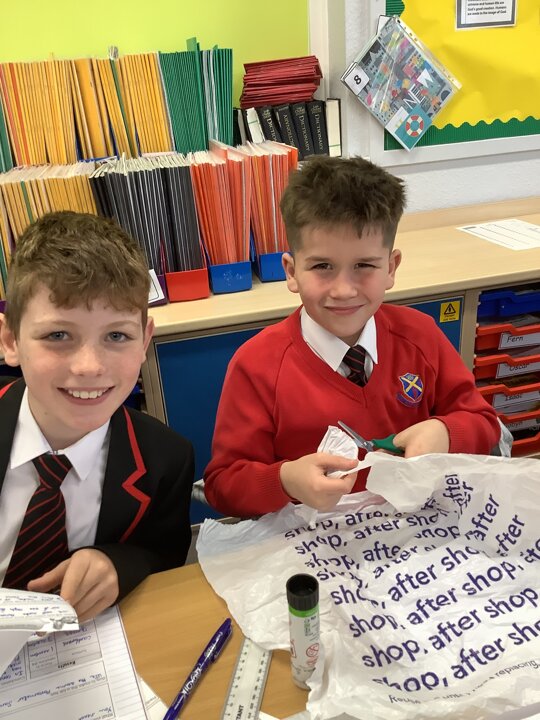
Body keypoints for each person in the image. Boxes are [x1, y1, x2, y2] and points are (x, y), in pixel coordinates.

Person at [204, 156, 500, 518]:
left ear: (390, 267)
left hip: (416, 531)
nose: (343, 290)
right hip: (311, 541)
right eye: (322, 266)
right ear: (291, 272)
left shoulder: (420, 336)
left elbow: (485, 423)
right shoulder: (257, 365)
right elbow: (223, 486)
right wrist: (284, 481)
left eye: (364, 266)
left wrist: (446, 432)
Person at [0, 211, 194, 621]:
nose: (89, 366)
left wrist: (117, 563)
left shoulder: (165, 460)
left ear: (145, 340)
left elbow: (163, 553)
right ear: (10, 341)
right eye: (58, 335)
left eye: (117, 336)